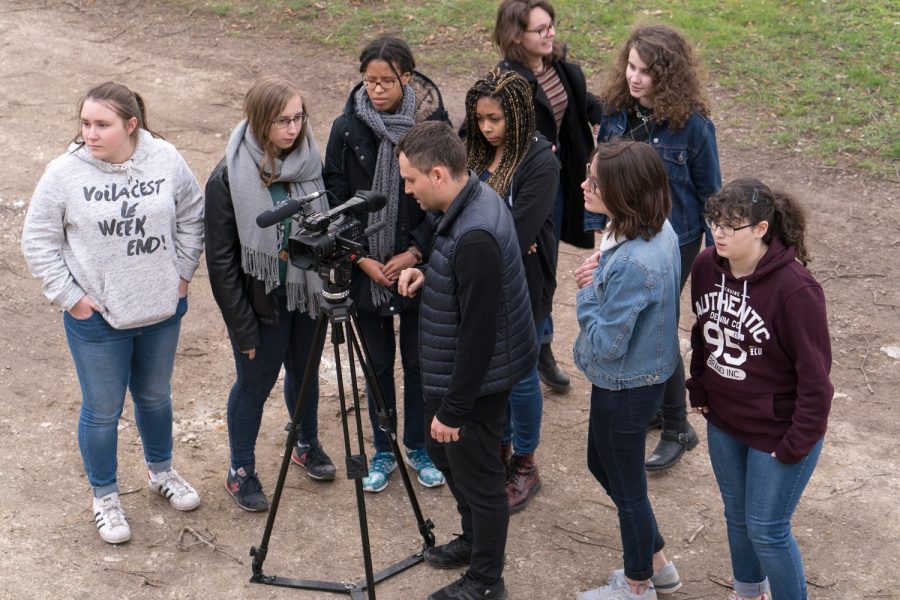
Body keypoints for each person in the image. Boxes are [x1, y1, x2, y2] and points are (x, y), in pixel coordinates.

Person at [21, 82, 204, 544]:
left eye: (101, 125)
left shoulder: (164, 158)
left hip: (162, 310)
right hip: (98, 321)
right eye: (85, 124)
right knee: (103, 411)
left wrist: (182, 272)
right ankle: (105, 496)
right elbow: (37, 241)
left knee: (155, 396)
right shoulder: (64, 173)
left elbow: (191, 211)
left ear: (131, 125)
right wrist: (70, 297)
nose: (90, 134)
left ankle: (161, 472)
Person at [397, 121, 535, 600]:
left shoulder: (476, 234)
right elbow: (462, 286)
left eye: (411, 180)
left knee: (480, 480)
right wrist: (424, 275)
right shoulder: (469, 200)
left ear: (438, 174)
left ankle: (485, 580)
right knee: (445, 455)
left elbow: (479, 335)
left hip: (475, 382)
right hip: (460, 369)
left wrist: (454, 408)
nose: (407, 190)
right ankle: (473, 543)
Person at [686, 179, 832, 600]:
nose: (719, 233)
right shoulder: (706, 266)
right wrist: (700, 387)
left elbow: (816, 381)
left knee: (767, 530)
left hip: (778, 429)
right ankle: (748, 593)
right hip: (726, 420)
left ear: (762, 229)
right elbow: (703, 333)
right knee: (737, 516)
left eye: (732, 226)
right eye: (715, 223)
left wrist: (794, 444)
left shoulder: (796, 290)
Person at [594, 23, 722, 471]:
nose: (634, 77)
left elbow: (712, 197)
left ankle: (676, 427)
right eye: (630, 66)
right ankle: (655, 411)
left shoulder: (694, 127)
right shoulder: (614, 112)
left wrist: (716, 259)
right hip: (622, 234)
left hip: (675, 241)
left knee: (657, 326)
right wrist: (600, 236)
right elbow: (600, 176)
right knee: (636, 321)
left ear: (667, 76)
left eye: (646, 71)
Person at [205, 75, 336, 513]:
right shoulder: (228, 176)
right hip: (262, 305)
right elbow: (222, 264)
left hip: (306, 293)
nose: (293, 128)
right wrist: (242, 327)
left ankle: (306, 442)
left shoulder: (310, 162)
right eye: (283, 120)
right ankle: (240, 470)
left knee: (305, 376)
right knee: (254, 385)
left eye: (299, 117)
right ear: (260, 121)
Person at [323, 35, 448, 493]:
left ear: (407, 78)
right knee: (377, 364)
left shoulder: (432, 127)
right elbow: (336, 199)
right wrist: (361, 259)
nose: (376, 89)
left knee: (418, 363)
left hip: (418, 266)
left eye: (387, 81)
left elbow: (443, 200)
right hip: (366, 269)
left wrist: (414, 252)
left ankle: (417, 445)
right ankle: (382, 447)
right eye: (370, 80)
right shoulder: (346, 128)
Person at [573, 140, 682, 600]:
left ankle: (638, 586)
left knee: (627, 488)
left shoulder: (637, 262)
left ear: (622, 192)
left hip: (627, 384)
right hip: (634, 378)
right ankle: (658, 562)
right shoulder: (647, 230)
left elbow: (606, 343)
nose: (583, 184)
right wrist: (604, 266)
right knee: (604, 465)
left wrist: (588, 288)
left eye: (594, 182)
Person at [493, 0, 603, 392]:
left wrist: (604, 111)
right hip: (530, 188)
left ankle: (538, 343)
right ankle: (537, 348)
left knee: (548, 267)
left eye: (551, 25)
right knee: (538, 270)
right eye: (540, 29)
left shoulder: (559, 66)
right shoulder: (507, 81)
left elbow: (576, 103)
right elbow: (482, 129)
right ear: (515, 37)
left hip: (565, 181)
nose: (550, 33)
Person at [463, 68, 558, 512]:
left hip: (525, 284)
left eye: (496, 119)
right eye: (481, 118)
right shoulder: (475, 148)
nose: (486, 128)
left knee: (520, 376)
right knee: (489, 372)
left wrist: (487, 231)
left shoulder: (540, 161)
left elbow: (518, 236)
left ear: (517, 116)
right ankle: (498, 450)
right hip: (479, 281)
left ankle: (525, 462)